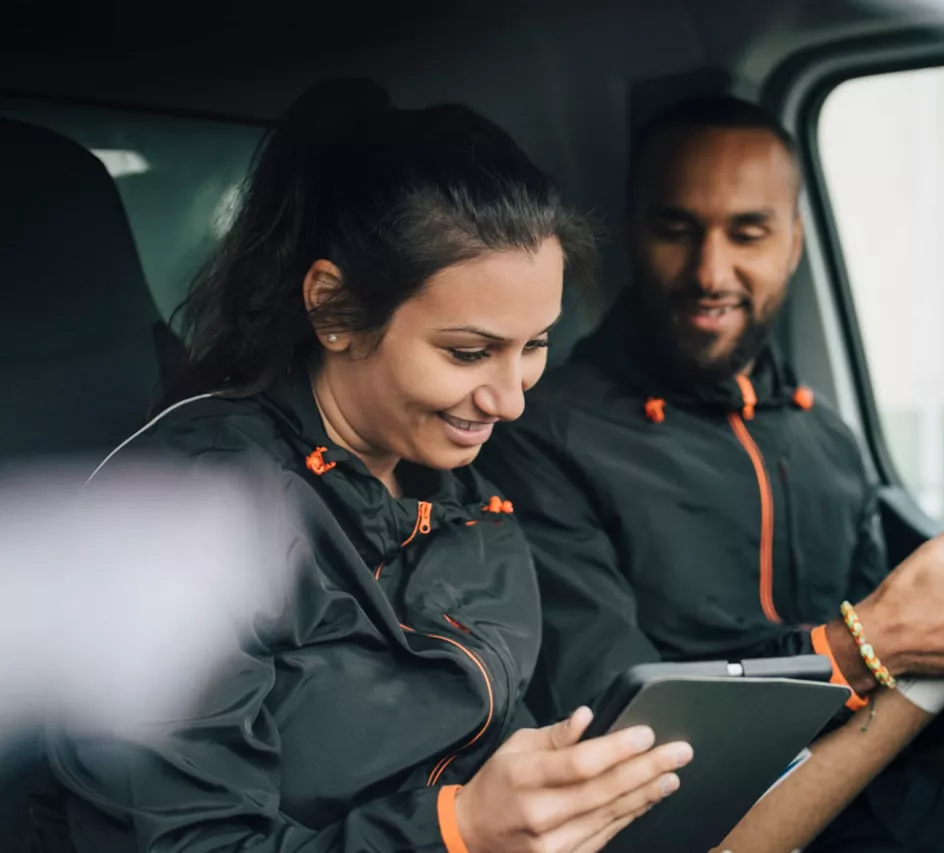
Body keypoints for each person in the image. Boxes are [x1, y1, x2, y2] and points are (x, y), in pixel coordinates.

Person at [33, 80, 696, 853]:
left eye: (536, 344)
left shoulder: (465, 496)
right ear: (335, 310)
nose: (511, 399)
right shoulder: (175, 524)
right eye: (469, 351)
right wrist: (460, 829)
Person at [478, 96, 944, 851]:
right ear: (635, 232)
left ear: (794, 243)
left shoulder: (826, 436)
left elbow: (907, 689)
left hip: (892, 797)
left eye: (749, 232)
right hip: (717, 826)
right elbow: (623, 731)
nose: (711, 271)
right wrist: (869, 642)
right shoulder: (542, 436)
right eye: (677, 228)